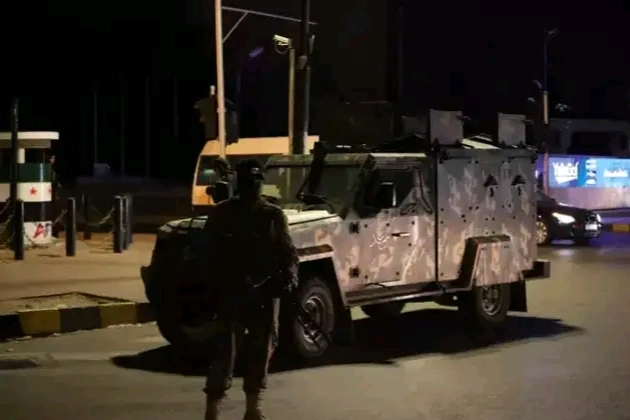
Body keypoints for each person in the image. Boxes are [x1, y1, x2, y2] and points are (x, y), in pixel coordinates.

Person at [202, 158, 299, 420]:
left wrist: (288, 279)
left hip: (263, 292)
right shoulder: (222, 213)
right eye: (248, 181)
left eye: (256, 181)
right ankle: (212, 409)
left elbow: (288, 252)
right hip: (230, 291)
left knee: (261, 351)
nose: (252, 186)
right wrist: (215, 283)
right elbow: (206, 252)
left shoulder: (272, 214)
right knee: (224, 352)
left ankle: (253, 409)